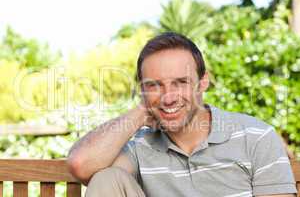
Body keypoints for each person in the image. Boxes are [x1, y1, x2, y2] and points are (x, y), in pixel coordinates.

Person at [67, 32, 297, 197]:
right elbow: (81, 164)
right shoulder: (140, 146)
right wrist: (142, 110)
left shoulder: (255, 136)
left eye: (180, 82)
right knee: (108, 178)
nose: (168, 97)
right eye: (154, 85)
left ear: (202, 82)